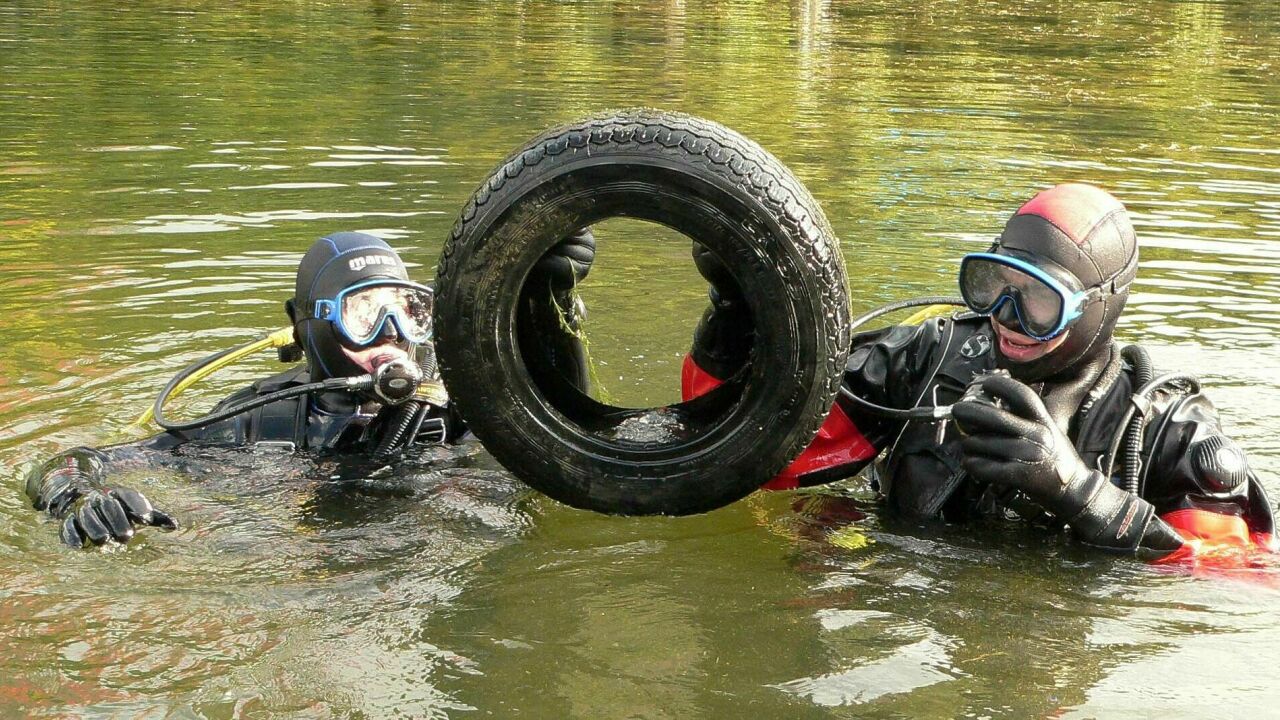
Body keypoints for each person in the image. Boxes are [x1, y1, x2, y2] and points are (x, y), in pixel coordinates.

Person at [683, 183, 1276, 561]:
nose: (1007, 317)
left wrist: (1083, 495)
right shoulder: (928, 355)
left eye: (1039, 300)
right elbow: (754, 457)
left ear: (1100, 304)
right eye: (994, 285)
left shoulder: (1170, 430)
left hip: (1056, 642)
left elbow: (1230, 588)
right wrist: (734, 316)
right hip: (904, 612)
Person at [27, 230, 594, 548]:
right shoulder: (259, 421)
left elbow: (574, 443)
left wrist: (551, 304)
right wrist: (78, 500)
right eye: (363, 312)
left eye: (405, 309)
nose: (391, 334)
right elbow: (66, 461)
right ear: (309, 326)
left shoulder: (454, 413)